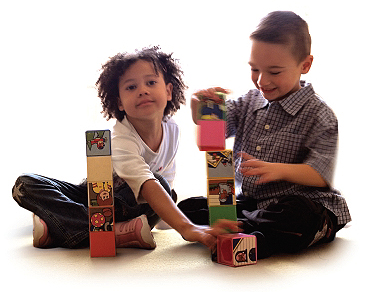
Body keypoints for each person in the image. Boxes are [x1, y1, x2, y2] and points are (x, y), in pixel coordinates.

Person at [12, 46, 240, 250]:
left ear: (168, 91)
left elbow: (164, 183)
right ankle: (113, 233)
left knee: (163, 187)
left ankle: (63, 228)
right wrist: (187, 227)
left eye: (151, 83)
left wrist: (199, 105)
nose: (142, 90)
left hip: (133, 206)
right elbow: (145, 182)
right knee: (25, 184)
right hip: (94, 198)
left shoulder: (172, 129)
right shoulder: (121, 138)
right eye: (131, 87)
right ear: (119, 102)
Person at [178, 11, 351, 259]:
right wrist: (201, 110)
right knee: (186, 209)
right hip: (254, 203)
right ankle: (245, 226)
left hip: (304, 204)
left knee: (297, 217)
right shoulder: (249, 101)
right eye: (254, 69)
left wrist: (277, 169)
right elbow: (210, 138)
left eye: (274, 72)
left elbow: (321, 174)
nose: (261, 80)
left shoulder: (319, 114)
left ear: (305, 65)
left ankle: (254, 237)